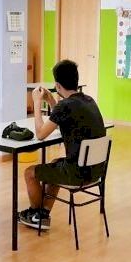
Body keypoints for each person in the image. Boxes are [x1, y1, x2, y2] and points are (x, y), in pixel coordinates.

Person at [18, 59, 106, 231]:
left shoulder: (65, 106)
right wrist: (52, 100)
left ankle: (36, 215)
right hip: (96, 171)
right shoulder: (88, 100)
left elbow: (41, 134)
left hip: (77, 173)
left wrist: (37, 102)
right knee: (55, 164)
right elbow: (64, 118)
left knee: (29, 173)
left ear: (57, 85)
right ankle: (42, 214)